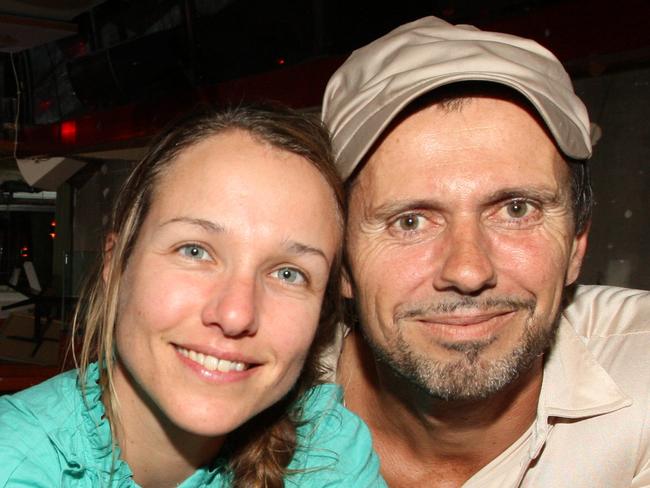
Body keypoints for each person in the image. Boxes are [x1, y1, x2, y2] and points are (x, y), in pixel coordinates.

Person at [322, 16, 650, 487]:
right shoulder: (247, 407)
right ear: (342, 262)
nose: (469, 270)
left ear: (578, 242)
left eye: (517, 210)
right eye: (410, 221)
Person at [0, 104, 386, 487]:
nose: (236, 314)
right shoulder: (16, 461)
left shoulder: (327, 452)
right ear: (115, 264)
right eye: (195, 251)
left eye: (289, 274)